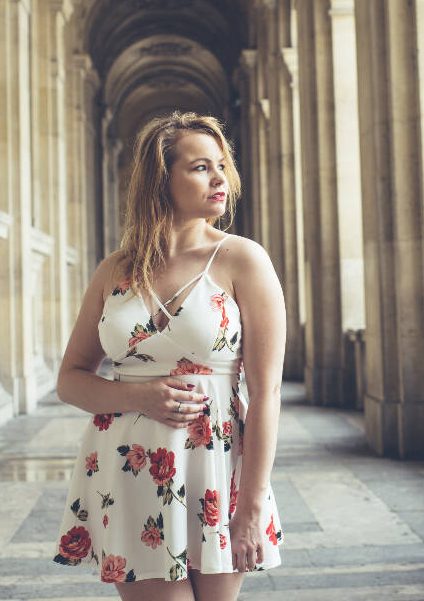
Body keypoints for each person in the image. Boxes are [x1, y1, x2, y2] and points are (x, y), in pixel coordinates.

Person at [52, 111, 286, 601]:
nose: (220, 177)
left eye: (221, 165)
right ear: (162, 177)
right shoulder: (114, 269)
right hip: (128, 468)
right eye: (200, 167)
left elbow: (266, 394)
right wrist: (137, 395)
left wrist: (252, 507)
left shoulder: (243, 259)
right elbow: (70, 380)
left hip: (217, 469)